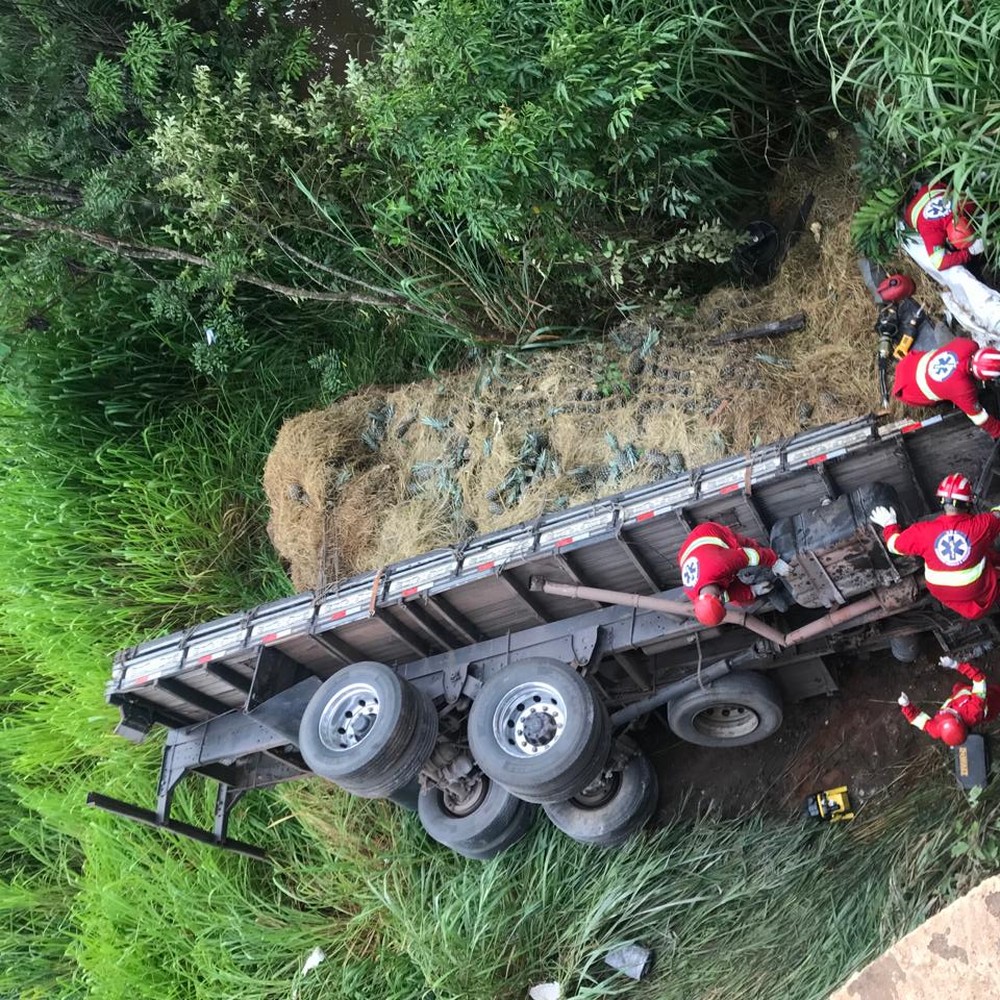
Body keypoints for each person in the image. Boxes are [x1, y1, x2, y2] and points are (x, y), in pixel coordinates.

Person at [870, 473, 1000, 620]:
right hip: (973, 590)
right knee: (989, 559)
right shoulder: (983, 525)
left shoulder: (923, 531)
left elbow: (894, 546)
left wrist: (890, 524)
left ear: (942, 502)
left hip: (939, 590)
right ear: (969, 503)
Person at [678, 521, 791, 626]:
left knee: (750, 547)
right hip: (689, 554)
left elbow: (750, 556)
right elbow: (729, 595)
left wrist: (774, 561)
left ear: (718, 598)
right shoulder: (697, 597)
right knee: (741, 601)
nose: (724, 604)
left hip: (708, 533)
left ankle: (766, 551)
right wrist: (753, 591)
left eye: (722, 605)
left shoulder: (720, 562)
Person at [891, 338, 1000, 438]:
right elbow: (980, 418)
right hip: (908, 390)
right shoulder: (963, 390)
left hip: (909, 363)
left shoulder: (969, 345)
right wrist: (997, 431)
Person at [897, 655, 1000, 746]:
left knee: (958, 687)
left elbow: (917, 719)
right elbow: (979, 679)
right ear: (958, 717)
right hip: (991, 701)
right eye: (947, 712)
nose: (943, 710)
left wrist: (906, 706)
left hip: (961, 696)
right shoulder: (974, 709)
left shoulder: (937, 728)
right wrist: (956, 665)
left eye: (941, 714)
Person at [905, 181, 985, 271]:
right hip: (913, 208)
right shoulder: (931, 232)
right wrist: (970, 252)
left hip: (930, 189)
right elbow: (939, 263)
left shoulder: (965, 205)